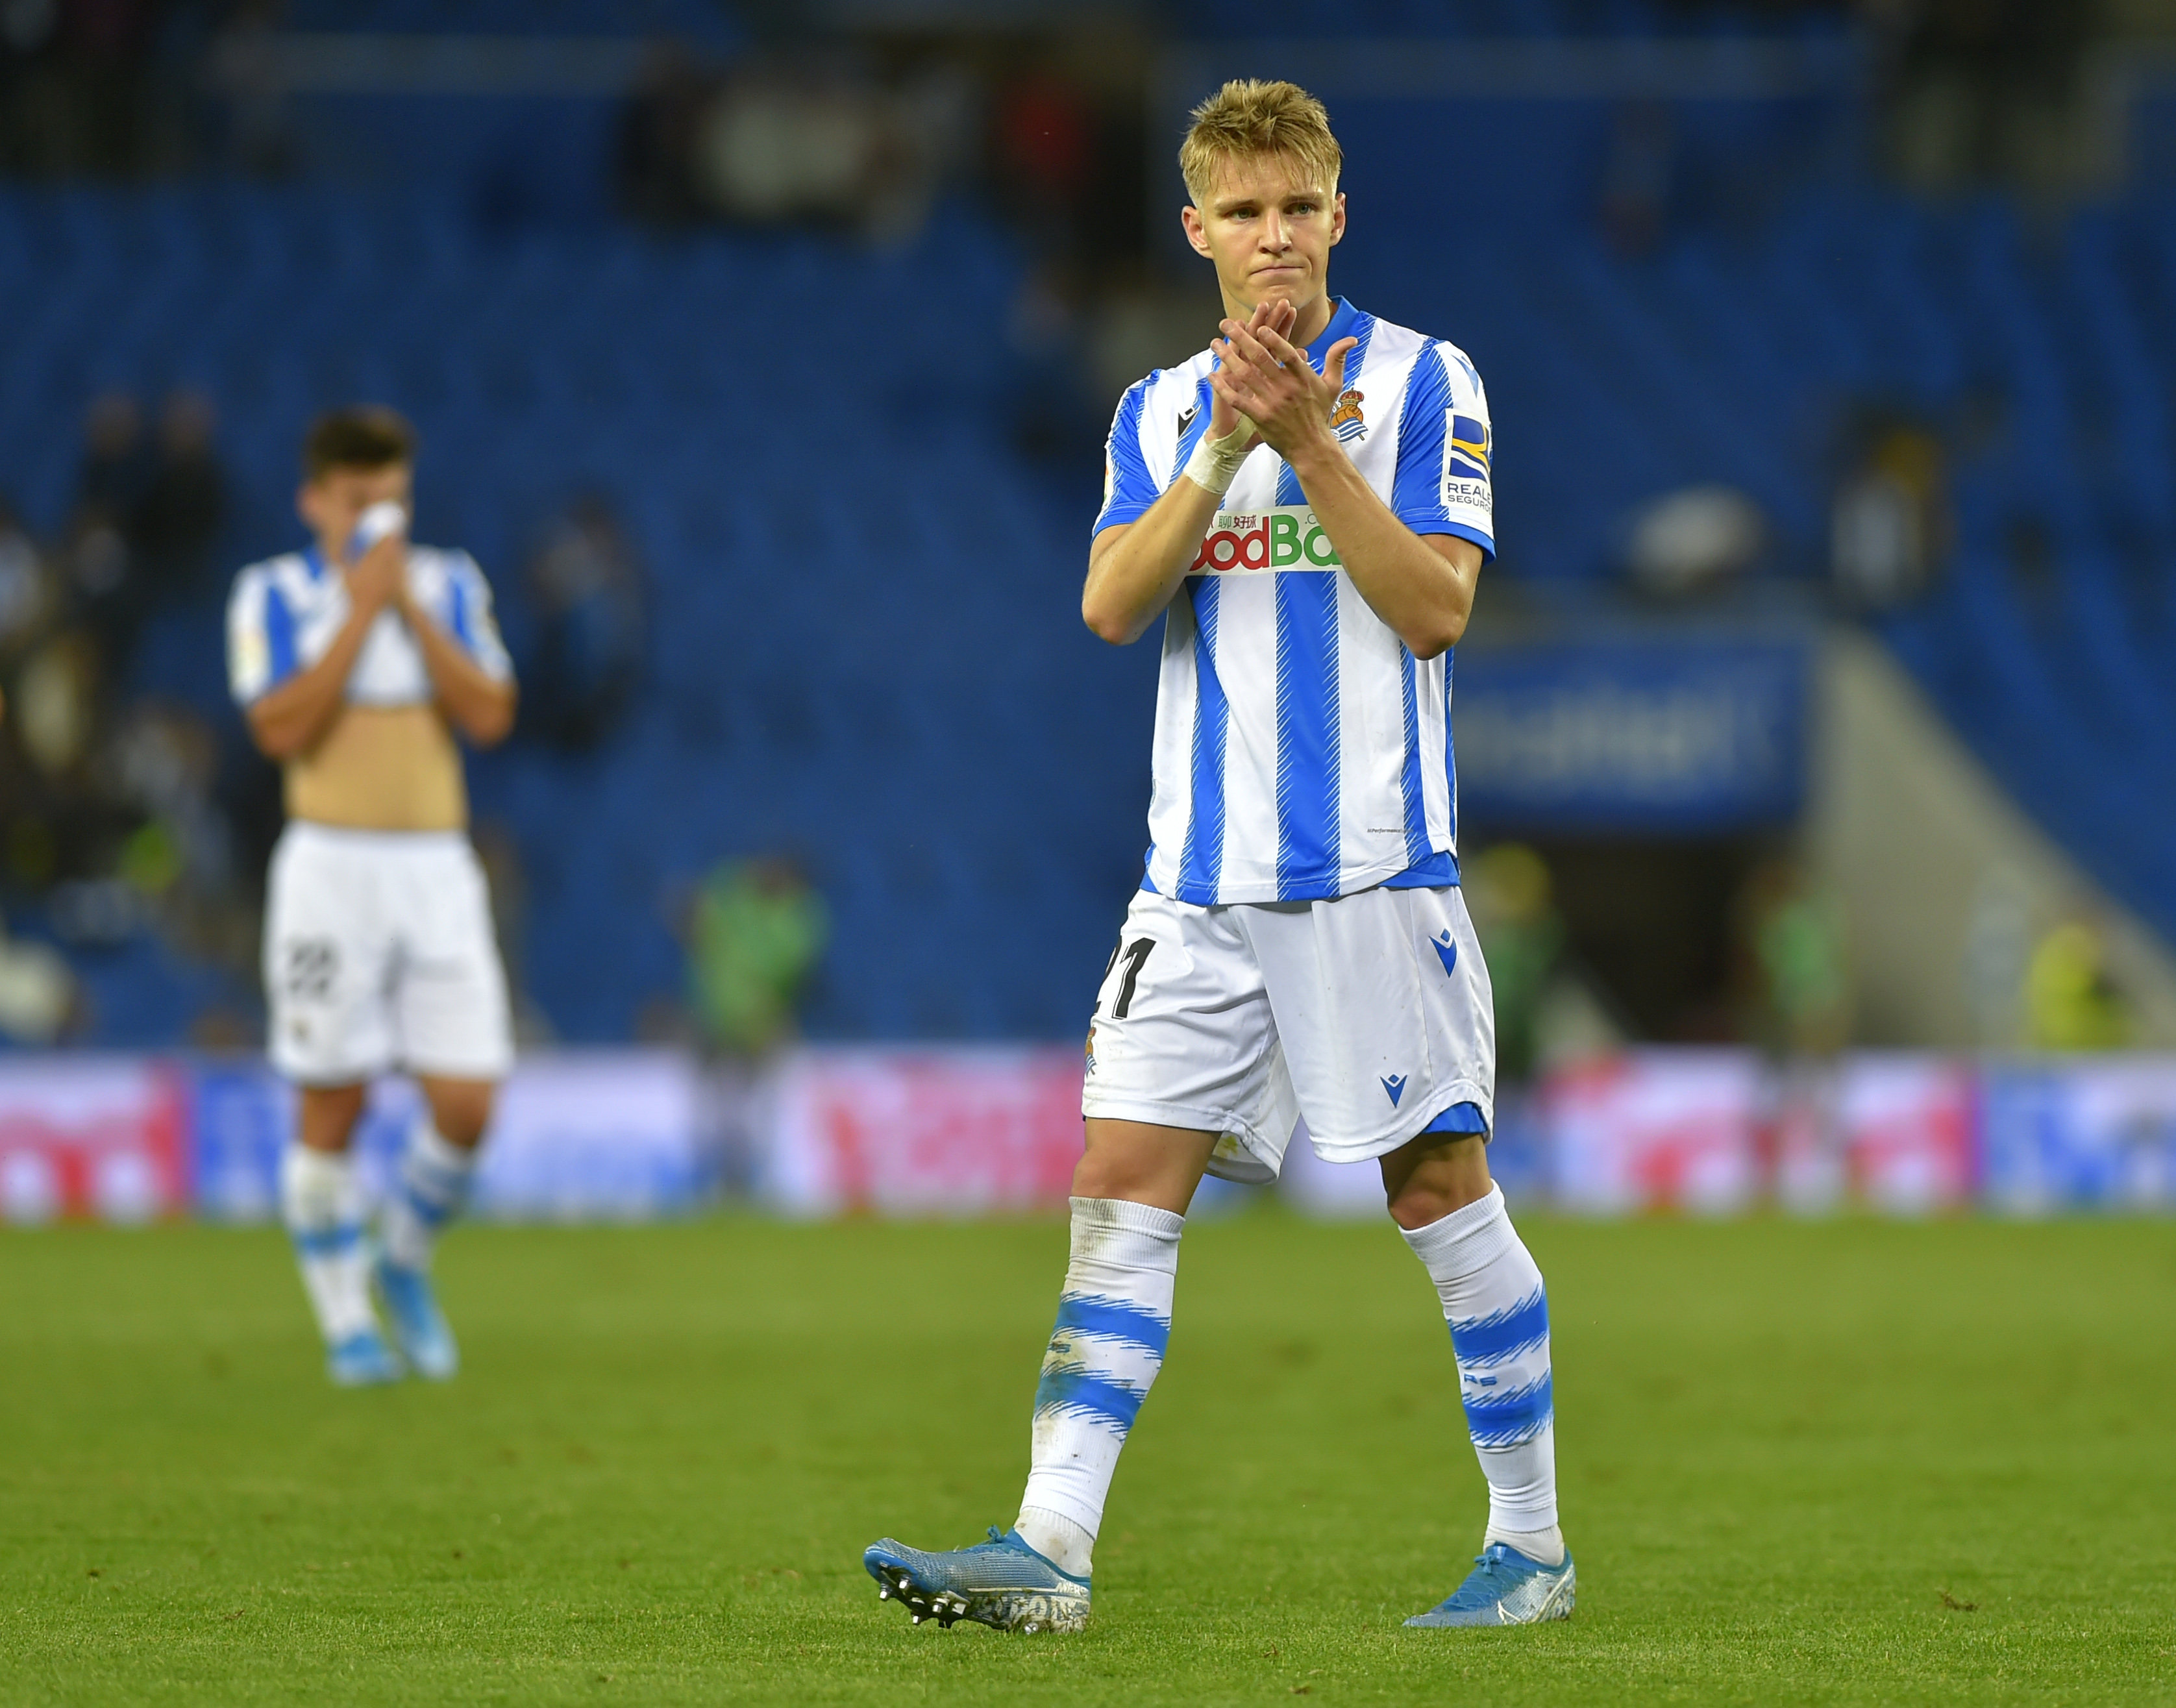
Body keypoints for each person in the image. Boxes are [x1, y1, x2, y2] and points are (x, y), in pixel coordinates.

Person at [863, 80, 1569, 1633]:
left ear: (1336, 215)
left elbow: (1437, 609)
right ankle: (1050, 1546)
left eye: (1293, 209)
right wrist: (1221, 454)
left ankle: (1530, 1543)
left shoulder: (1423, 380)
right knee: (1118, 1178)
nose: (1270, 239)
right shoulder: (1153, 406)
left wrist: (1308, 442)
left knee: (1434, 1186)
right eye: (1239, 215)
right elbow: (1111, 606)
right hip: (1192, 882)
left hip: (1371, 870)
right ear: (1194, 232)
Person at [226, 408, 517, 1386]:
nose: (379, 518)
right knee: (333, 1101)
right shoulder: (271, 593)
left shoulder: (451, 583)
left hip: (435, 868)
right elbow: (280, 731)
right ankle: (348, 1326)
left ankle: (402, 1256)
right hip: (329, 870)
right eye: (359, 500)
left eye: (393, 498)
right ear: (315, 499)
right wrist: (358, 608)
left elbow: (489, 714)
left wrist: (404, 609)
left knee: (469, 1101)